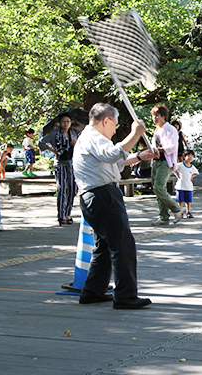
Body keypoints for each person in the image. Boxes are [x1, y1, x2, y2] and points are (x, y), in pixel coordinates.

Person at [73, 102, 157, 309]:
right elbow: (112, 155)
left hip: (97, 195)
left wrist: (138, 156)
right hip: (102, 195)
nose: (115, 129)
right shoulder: (93, 137)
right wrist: (135, 134)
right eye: (115, 124)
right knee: (122, 245)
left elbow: (113, 162)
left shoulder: (91, 139)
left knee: (104, 246)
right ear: (106, 121)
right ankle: (125, 295)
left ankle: (93, 290)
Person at [40, 113, 78, 226]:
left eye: (68, 121)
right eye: (63, 121)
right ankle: (61, 215)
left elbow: (79, 147)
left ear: (71, 123)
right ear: (60, 123)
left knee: (72, 189)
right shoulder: (54, 134)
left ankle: (67, 214)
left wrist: (75, 144)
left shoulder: (73, 134)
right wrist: (53, 150)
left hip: (71, 163)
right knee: (62, 188)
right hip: (60, 163)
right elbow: (41, 142)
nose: (65, 123)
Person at [150, 104, 183, 226]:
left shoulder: (170, 129)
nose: (154, 119)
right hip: (156, 161)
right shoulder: (157, 130)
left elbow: (173, 146)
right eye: (153, 116)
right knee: (158, 190)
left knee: (159, 187)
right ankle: (163, 216)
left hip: (166, 162)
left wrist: (159, 149)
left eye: (157, 116)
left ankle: (176, 209)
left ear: (163, 116)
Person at [173, 150, 199, 218]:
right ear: (184, 157)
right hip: (180, 186)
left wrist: (191, 177)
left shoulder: (192, 167)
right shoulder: (180, 165)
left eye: (192, 156)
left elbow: (196, 173)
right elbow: (173, 169)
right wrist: (177, 175)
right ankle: (180, 212)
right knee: (180, 200)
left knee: (188, 200)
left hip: (188, 186)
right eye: (188, 156)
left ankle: (188, 211)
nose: (190, 158)